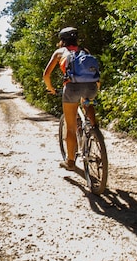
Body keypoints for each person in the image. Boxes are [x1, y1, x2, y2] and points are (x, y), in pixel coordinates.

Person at [42, 27, 100, 171]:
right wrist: (95, 87)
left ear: (62, 41)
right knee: (87, 103)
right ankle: (96, 132)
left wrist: (50, 88)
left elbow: (46, 75)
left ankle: (70, 161)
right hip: (91, 87)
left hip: (72, 88)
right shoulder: (85, 51)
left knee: (71, 126)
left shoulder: (60, 53)